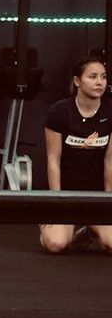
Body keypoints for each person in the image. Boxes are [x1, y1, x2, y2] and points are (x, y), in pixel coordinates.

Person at [39, 52, 112, 254]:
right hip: (67, 193)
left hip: (96, 196)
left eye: (104, 77)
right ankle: (49, 224)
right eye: (93, 76)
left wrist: (108, 202)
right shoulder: (60, 111)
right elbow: (53, 160)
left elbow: (110, 161)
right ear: (77, 81)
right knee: (56, 245)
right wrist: (57, 201)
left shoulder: (110, 111)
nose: (100, 82)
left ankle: (89, 230)